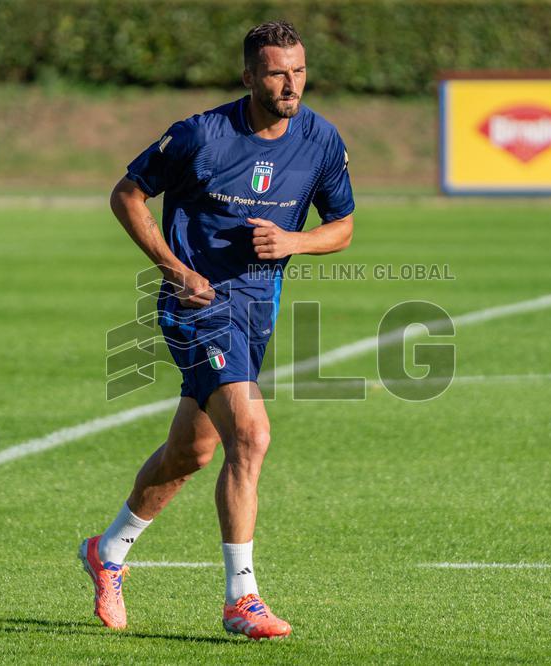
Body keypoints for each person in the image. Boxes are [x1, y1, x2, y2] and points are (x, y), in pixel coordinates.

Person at [79, 20, 354, 640]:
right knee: (251, 435)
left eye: (300, 70)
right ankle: (242, 599)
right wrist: (175, 270)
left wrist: (295, 241)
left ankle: (108, 551)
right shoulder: (200, 135)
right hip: (196, 303)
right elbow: (128, 195)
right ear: (249, 75)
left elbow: (343, 226)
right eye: (278, 72)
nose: (292, 83)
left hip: (256, 308)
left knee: (192, 452)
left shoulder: (320, 139)